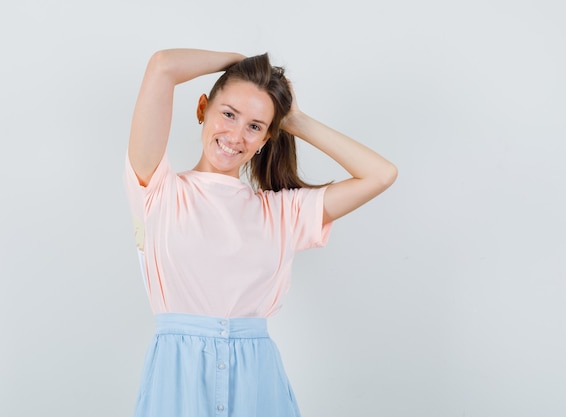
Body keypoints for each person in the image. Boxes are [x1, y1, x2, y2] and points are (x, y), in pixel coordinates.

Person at [124, 48, 397, 417]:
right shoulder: (158, 190)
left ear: (268, 137)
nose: (236, 135)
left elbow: (381, 174)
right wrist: (239, 61)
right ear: (202, 108)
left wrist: (296, 119)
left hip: (257, 381)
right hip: (177, 378)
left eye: (255, 126)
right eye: (228, 114)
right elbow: (162, 66)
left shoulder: (281, 213)